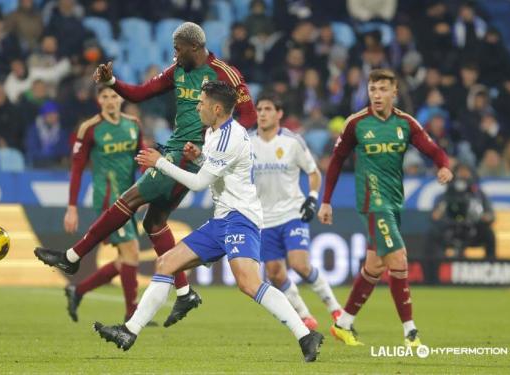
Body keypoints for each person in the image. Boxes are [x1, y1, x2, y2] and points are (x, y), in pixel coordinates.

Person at [34, 22, 257, 327]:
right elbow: (140, 93)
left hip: (188, 156)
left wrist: (215, 140)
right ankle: (185, 292)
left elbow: (249, 116)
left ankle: (72, 258)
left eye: (178, 48)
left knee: (130, 198)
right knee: (154, 222)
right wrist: (112, 80)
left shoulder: (224, 74)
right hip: (176, 147)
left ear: (194, 47)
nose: (174, 54)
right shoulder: (177, 70)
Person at [93, 81, 324, 362]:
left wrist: (161, 163)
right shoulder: (215, 133)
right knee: (166, 262)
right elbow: (221, 170)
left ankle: (305, 334)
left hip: (241, 218)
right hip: (222, 219)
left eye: (201, 102)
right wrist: (200, 157)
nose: (197, 106)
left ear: (216, 108)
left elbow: (201, 184)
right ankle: (129, 331)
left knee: (249, 284)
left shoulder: (231, 136)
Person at [318, 69, 453, 347]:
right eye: (372, 89)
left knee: (375, 265)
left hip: (393, 201)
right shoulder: (356, 123)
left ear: (394, 93)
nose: (377, 95)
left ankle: (343, 323)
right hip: (372, 200)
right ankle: (410, 332)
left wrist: (443, 167)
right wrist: (326, 200)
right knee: (399, 258)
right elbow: (336, 161)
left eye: (382, 89)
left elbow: (433, 149)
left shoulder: (405, 123)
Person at [250, 93, 342, 330]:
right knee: (274, 273)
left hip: (292, 212)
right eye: (259, 109)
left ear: (279, 114)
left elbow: (314, 172)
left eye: (268, 109)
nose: (262, 113)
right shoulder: (247, 143)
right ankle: (305, 316)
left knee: (300, 264)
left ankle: (335, 309)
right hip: (264, 218)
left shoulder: (293, 142)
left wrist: (312, 199)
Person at [62, 85, 145, 323]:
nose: (110, 100)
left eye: (114, 96)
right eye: (105, 96)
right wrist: (72, 207)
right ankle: (132, 314)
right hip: (109, 200)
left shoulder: (133, 125)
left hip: (130, 198)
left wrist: (147, 191)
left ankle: (78, 291)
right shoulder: (90, 129)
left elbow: (142, 159)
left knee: (125, 259)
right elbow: (77, 169)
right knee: (131, 251)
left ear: (121, 99)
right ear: (99, 100)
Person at [428, 163, 495, 259]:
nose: (463, 174)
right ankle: (435, 267)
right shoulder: (446, 194)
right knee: (433, 233)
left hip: (472, 230)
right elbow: (434, 217)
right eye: (460, 171)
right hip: (449, 229)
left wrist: (484, 217)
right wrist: (439, 213)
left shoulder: (479, 195)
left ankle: (490, 265)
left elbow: (491, 216)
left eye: (466, 172)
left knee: (489, 234)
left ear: (471, 174)